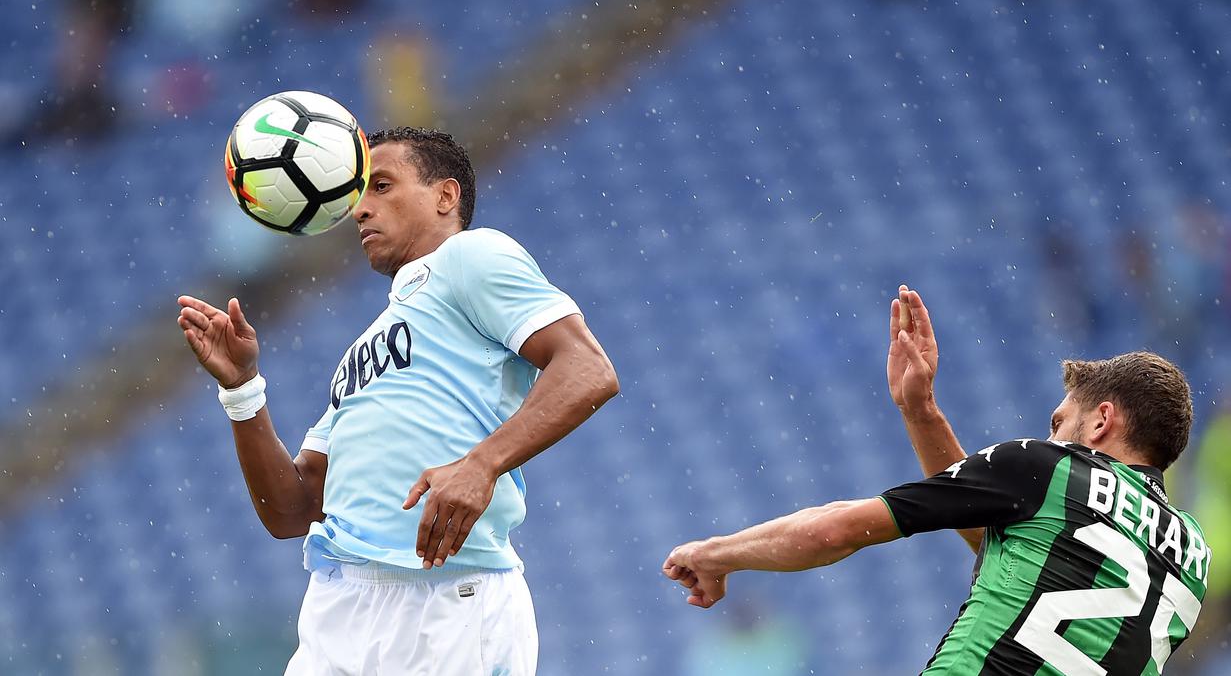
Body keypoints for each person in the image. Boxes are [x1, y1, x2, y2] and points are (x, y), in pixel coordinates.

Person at [177, 127, 619, 675]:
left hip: (446, 599)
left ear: (445, 196)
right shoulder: (361, 354)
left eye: (381, 186)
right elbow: (292, 509)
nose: (360, 210)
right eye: (359, 194)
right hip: (338, 603)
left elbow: (587, 368)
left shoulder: (471, 256)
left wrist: (482, 464)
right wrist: (242, 390)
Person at [663, 285, 1209, 674]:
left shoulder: (1050, 467)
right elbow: (1014, 557)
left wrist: (719, 552)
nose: (1053, 433)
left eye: (1059, 422)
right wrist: (921, 412)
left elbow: (836, 532)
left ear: (1102, 420)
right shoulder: (1192, 557)